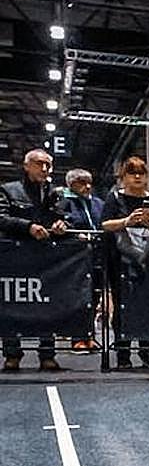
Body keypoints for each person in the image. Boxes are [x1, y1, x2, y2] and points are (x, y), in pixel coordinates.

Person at [101, 155, 149, 370]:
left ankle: (147, 350)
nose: (138, 177)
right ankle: (123, 352)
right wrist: (126, 222)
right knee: (122, 308)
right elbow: (104, 224)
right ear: (124, 177)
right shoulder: (114, 198)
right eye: (133, 173)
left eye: (142, 173)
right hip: (120, 261)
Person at [1, 148, 67, 371]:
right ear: (26, 165)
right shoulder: (8, 190)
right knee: (11, 304)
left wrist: (62, 226)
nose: (45, 169)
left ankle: (47, 354)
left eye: (48, 165)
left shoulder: (56, 193)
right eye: (39, 164)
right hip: (14, 257)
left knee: (46, 304)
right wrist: (27, 227)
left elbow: (64, 219)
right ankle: (12, 354)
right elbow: (1, 218)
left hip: (47, 258)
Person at [58, 168, 105, 353]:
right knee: (77, 296)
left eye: (89, 182)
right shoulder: (63, 202)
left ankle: (89, 335)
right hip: (75, 259)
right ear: (71, 184)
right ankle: (77, 337)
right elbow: (62, 224)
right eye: (81, 182)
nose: (87, 186)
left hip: (97, 257)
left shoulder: (99, 203)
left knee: (94, 296)